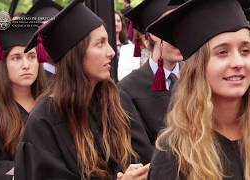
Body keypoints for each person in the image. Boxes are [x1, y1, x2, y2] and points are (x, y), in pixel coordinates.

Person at [146, 0, 250, 179]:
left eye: (245, 51)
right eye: (222, 52)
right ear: (197, 68)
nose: (238, 63)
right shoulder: (174, 151)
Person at [15, 0, 149, 179]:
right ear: (75, 55)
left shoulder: (116, 101)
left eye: (108, 41)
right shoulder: (44, 121)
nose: (111, 52)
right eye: (100, 43)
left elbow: (145, 159)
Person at [0, 19, 46, 179]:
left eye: (31, 56)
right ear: (4, 63)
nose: (26, 65)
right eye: (16, 57)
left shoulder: (52, 103)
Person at [119, 0, 183, 164]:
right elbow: (141, 154)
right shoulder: (128, 89)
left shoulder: (199, 78)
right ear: (154, 33)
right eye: (171, 26)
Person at [115, 11, 140, 81]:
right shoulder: (107, 45)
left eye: (118, 21)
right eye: (114, 21)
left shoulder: (129, 45)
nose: (116, 24)